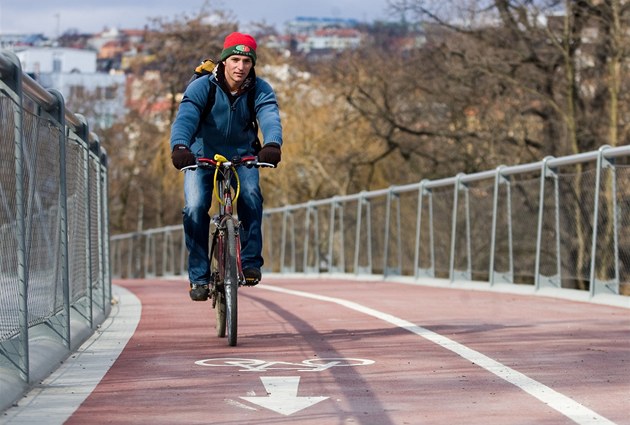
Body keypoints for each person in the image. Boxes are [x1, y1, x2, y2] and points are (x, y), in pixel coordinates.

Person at [169, 32, 283, 301]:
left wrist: (273, 144)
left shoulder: (259, 88)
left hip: (244, 155)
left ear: (252, 64)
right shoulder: (202, 86)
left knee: (252, 196)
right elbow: (186, 117)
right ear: (224, 60)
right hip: (201, 155)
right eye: (235, 59)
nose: (240, 67)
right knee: (195, 207)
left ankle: (251, 261)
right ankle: (199, 276)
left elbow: (269, 115)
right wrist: (180, 146)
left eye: (246, 61)